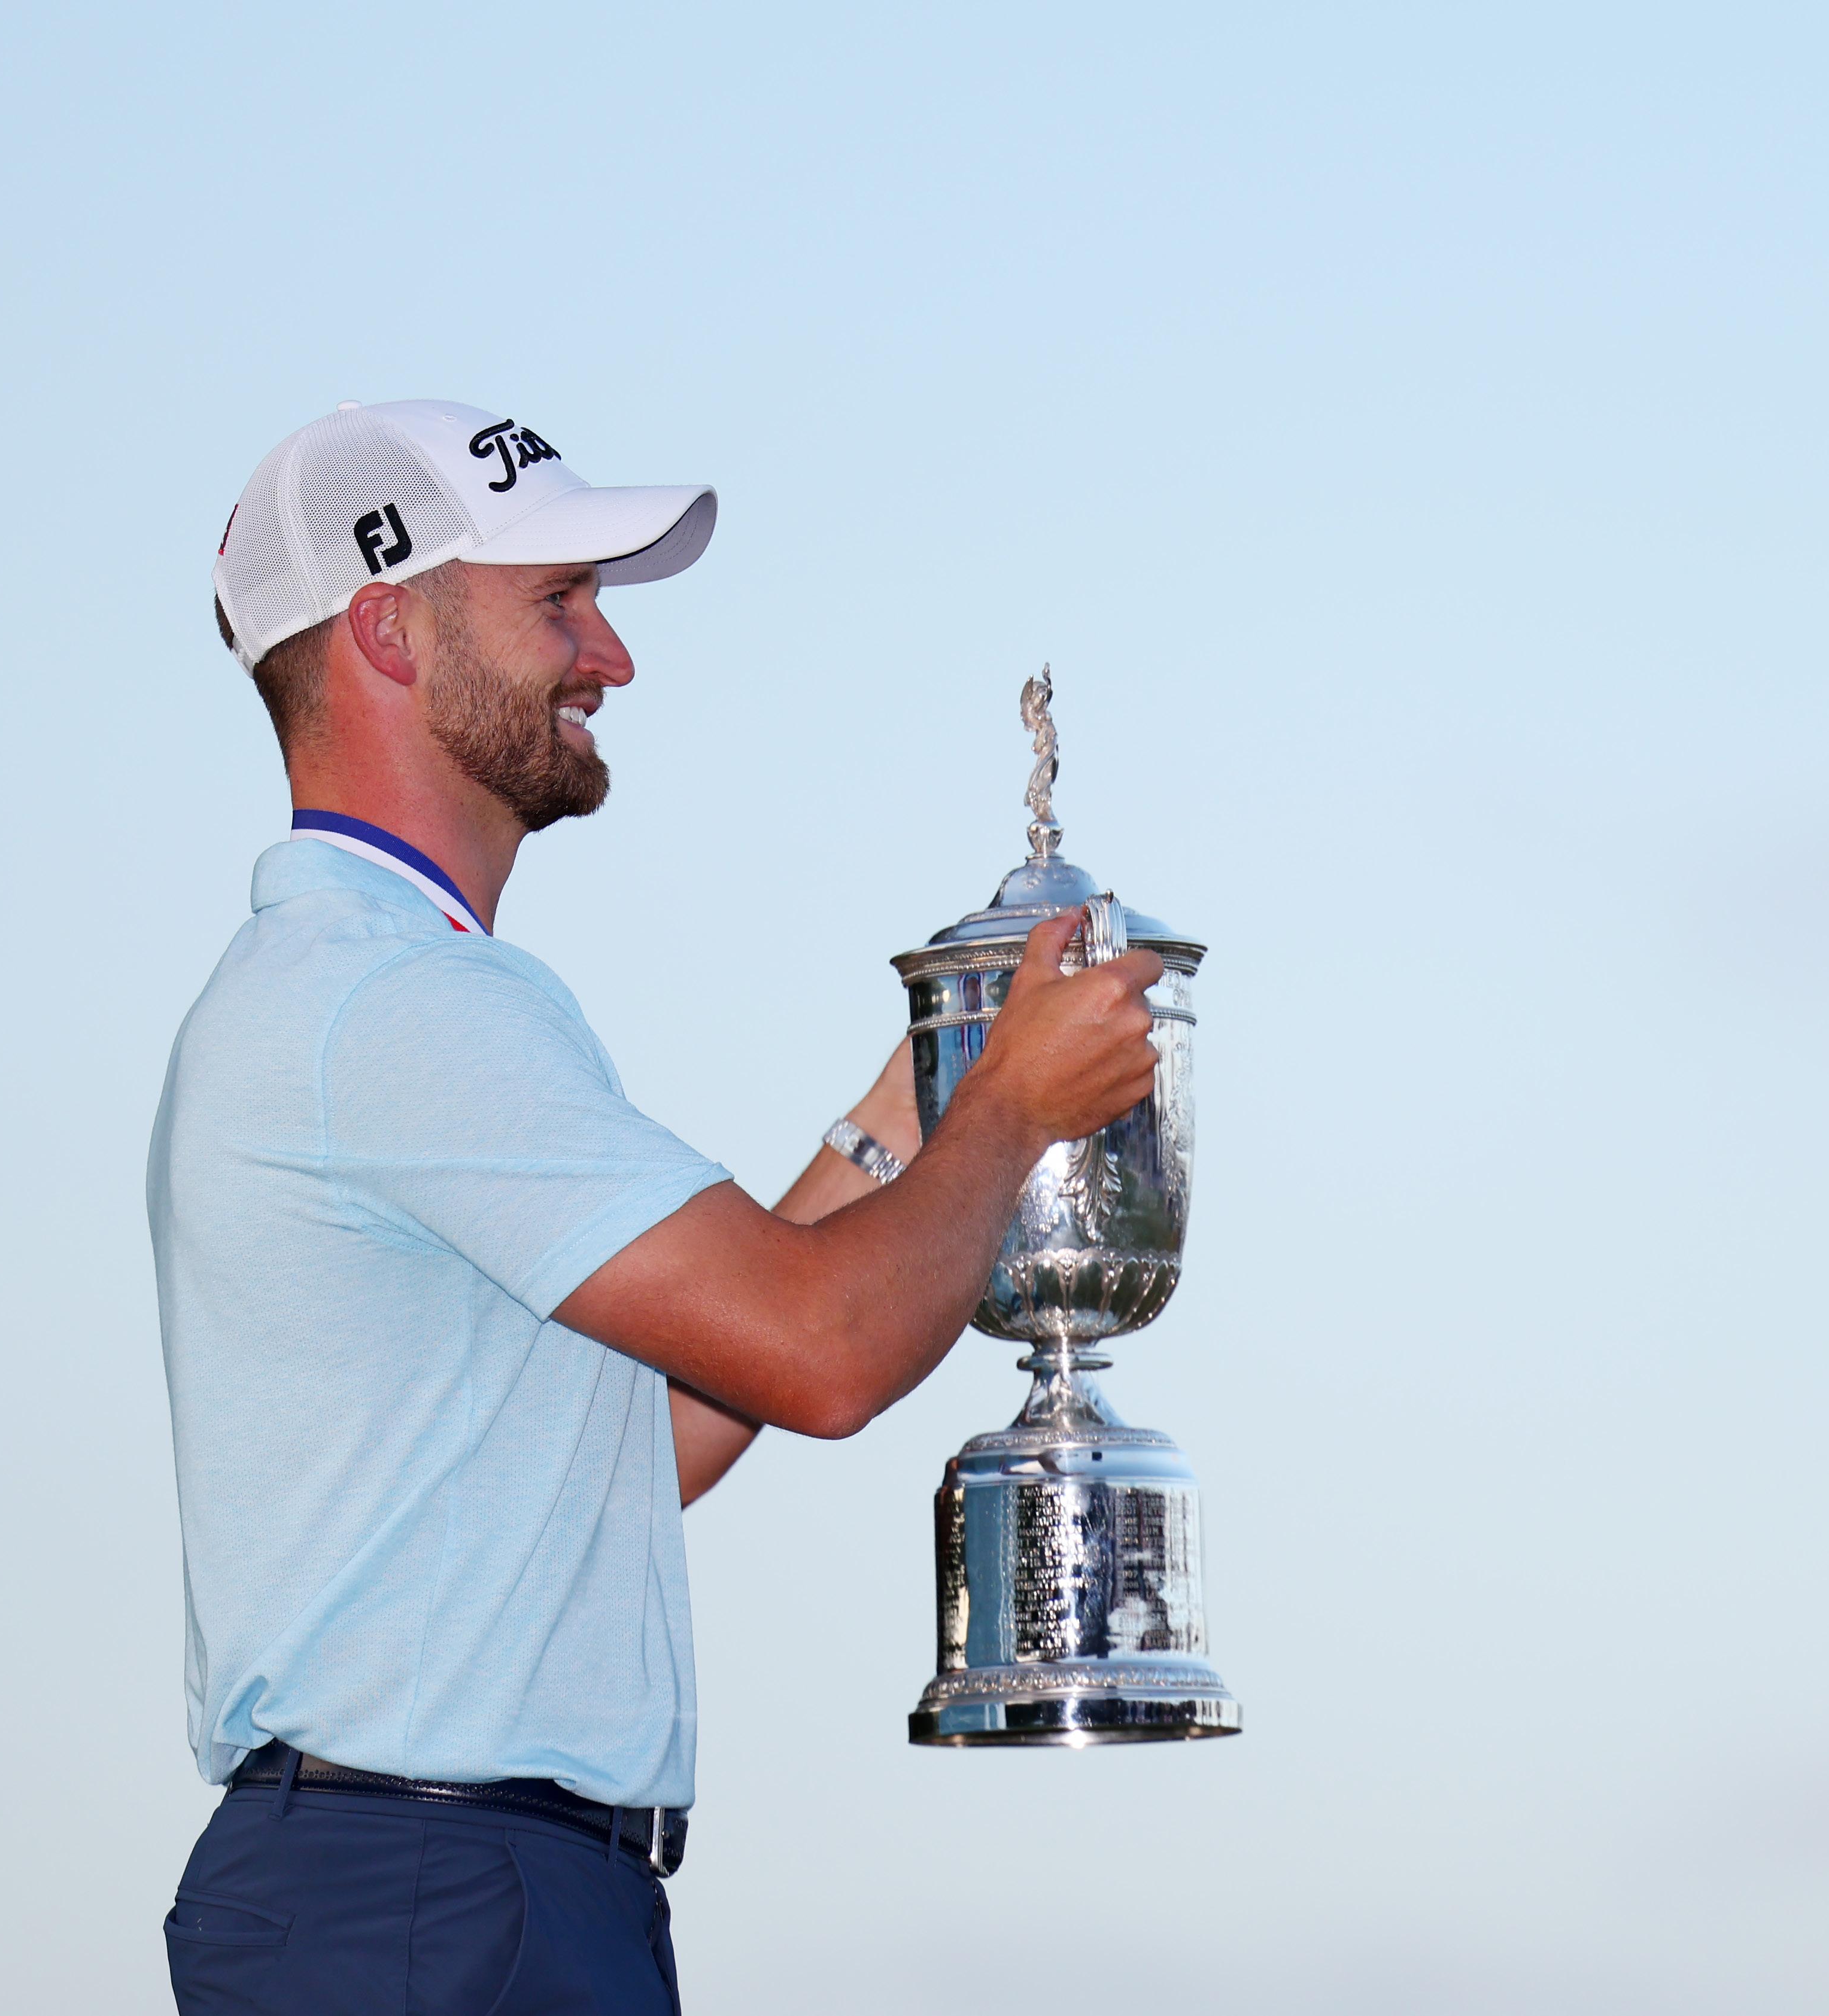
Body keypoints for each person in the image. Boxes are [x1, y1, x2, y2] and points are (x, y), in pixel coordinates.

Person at [151, 400, 1162, 2013]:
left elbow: (648, 1438)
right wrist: (1015, 1110)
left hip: (457, 1887)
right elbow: (822, 1350)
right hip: (433, 1893)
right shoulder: (395, 1005)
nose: (610, 655)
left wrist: (911, 1113)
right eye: (559, 600)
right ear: (389, 631)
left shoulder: (373, 993)